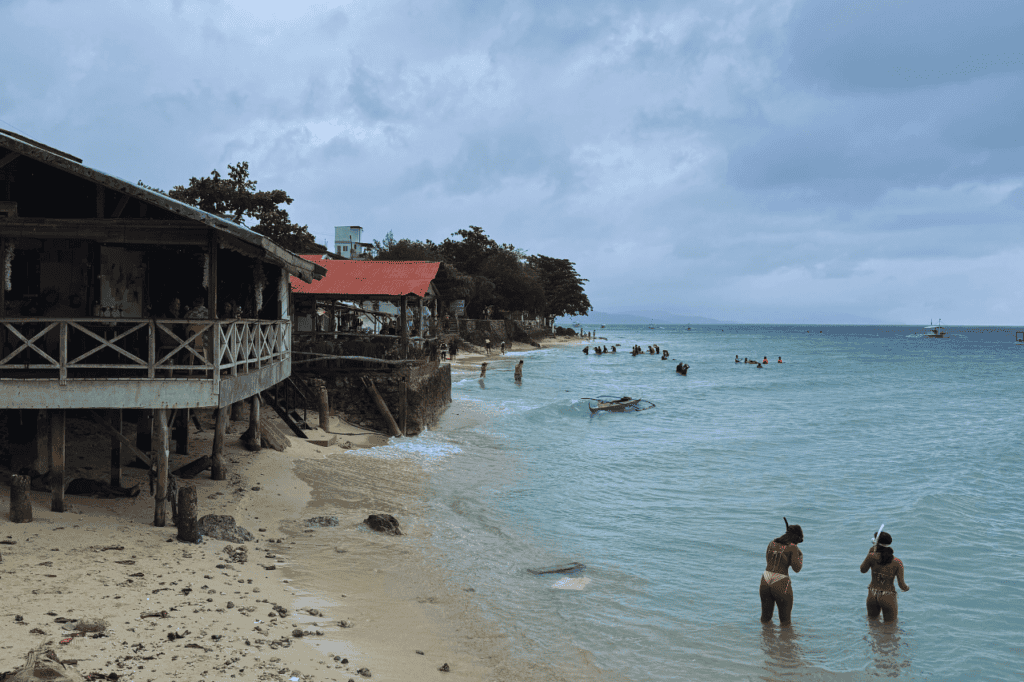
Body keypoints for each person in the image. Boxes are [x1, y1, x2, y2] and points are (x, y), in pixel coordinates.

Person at [760, 523, 803, 625]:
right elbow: (796, 568)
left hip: (765, 578)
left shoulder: (772, 543)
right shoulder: (793, 547)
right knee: (785, 622)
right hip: (781, 581)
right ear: (796, 538)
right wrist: (800, 556)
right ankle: (785, 641)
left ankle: (765, 639)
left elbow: (768, 560)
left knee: (765, 619)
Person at [860, 531, 909, 622]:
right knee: (891, 627)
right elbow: (901, 585)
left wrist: (869, 553)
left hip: (872, 594)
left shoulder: (871, 556)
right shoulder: (897, 562)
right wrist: (907, 588)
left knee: (872, 624)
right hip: (887, 596)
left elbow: (863, 570)